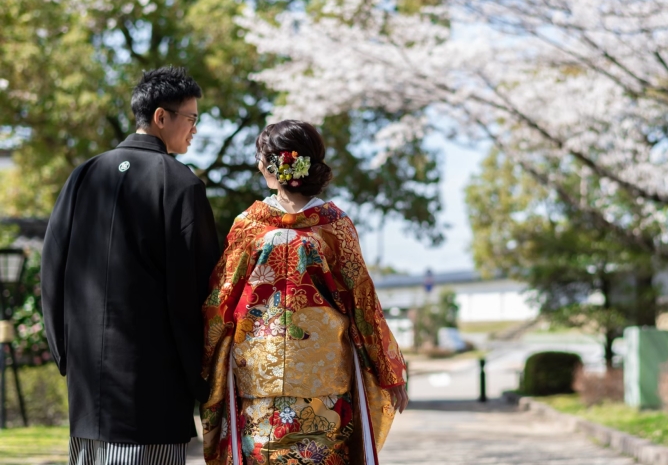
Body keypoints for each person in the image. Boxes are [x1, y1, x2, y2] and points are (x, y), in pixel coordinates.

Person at [201, 120, 408, 465]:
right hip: (323, 373)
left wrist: (206, 361)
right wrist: (388, 370)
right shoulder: (334, 225)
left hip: (258, 373)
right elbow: (362, 301)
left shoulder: (249, 225)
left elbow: (220, 299)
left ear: (269, 165)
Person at [42, 66, 221, 465]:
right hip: (152, 381)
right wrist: (203, 374)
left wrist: (64, 351)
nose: (195, 128)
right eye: (191, 118)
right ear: (162, 117)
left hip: (88, 384)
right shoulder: (180, 183)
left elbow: (51, 268)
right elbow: (201, 287)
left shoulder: (83, 175)